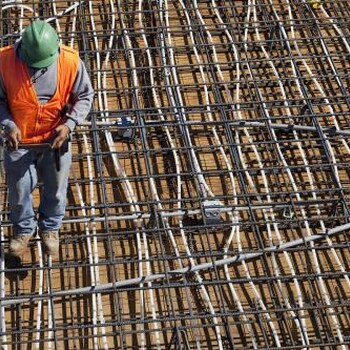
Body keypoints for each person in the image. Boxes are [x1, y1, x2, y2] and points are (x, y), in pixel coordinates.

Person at [0, 20, 94, 256]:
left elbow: (85, 95)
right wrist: (8, 124)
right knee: (19, 189)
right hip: (19, 142)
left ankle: (50, 229)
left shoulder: (70, 61)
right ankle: (24, 230)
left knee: (56, 187)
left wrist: (69, 124)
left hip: (55, 140)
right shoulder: (4, 62)